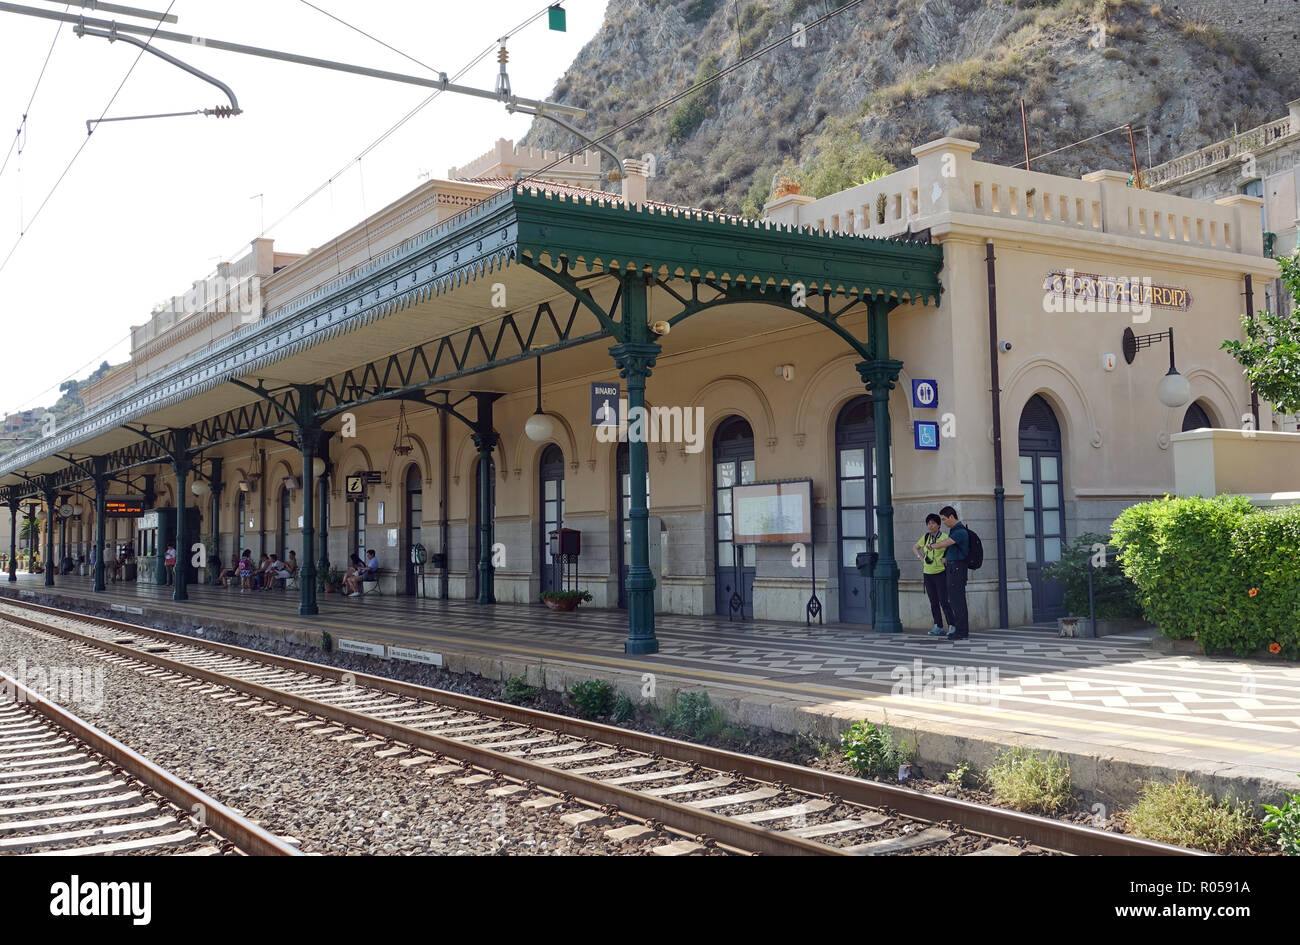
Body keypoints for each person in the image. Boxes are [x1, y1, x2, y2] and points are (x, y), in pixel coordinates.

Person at [931, 505, 970, 641]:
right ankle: (961, 630)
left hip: (957, 569)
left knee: (957, 601)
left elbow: (946, 543)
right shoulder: (955, 530)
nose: (944, 522)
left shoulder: (959, 531)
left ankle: (961, 631)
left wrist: (932, 545)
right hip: (954, 568)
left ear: (952, 517)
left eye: (944, 519)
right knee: (955, 600)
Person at [914, 513, 955, 636]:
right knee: (933, 601)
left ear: (938, 524)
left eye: (933, 523)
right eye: (928, 523)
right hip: (927, 573)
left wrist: (946, 558)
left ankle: (952, 625)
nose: (930, 526)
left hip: (940, 572)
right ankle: (938, 626)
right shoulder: (926, 537)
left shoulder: (944, 537)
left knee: (944, 600)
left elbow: (952, 549)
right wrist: (920, 558)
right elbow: (915, 547)